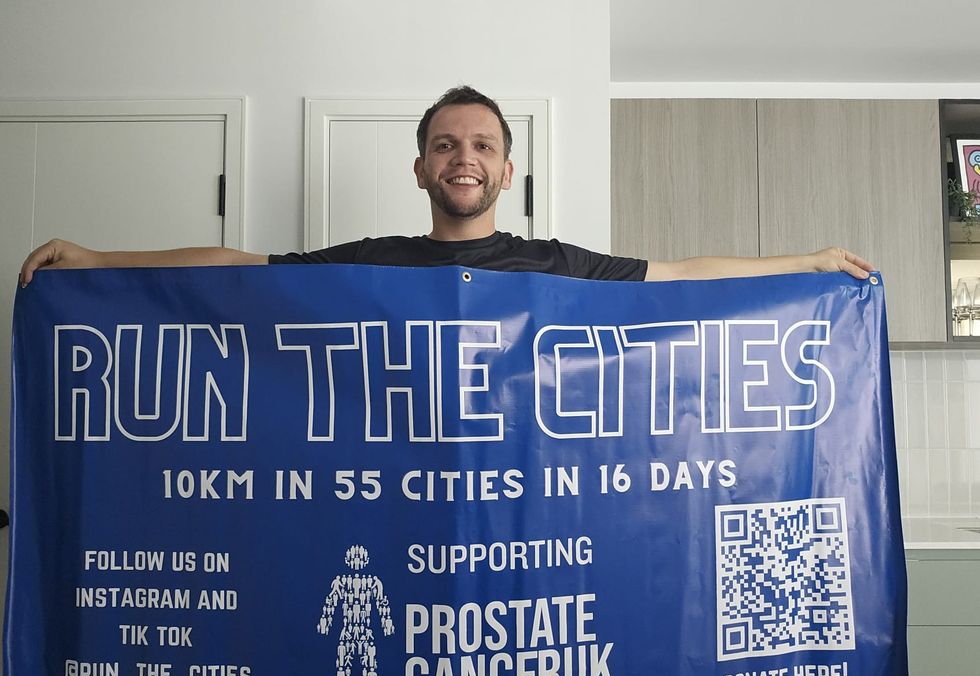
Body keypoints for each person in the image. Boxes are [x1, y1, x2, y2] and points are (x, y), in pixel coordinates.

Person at [19, 86, 873, 286]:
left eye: (482, 145)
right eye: (444, 144)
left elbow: (681, 276)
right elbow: (241, 266)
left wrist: (811, 262)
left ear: (507, 170)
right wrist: (96, 259)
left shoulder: (555, 267)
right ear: (422, 167)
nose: (463, 157)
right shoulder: (372, 262)